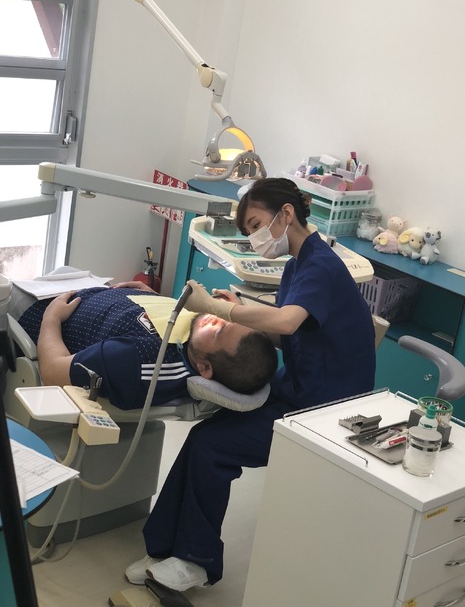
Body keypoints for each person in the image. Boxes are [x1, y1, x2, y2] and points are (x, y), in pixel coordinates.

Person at [126, 177, 376, 591]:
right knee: (201, 435)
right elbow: (289, 335)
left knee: (213, 446)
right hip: (300, 386)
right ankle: (163, 548)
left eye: (256, 225)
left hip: (326, 411)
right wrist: (238, 309)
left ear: (286, 214)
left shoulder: (321, 266)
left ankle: (196, 562)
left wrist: (220, 309)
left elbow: (287, 322)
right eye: (248, 232)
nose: (255, 238)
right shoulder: (297, 265)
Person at [13, 282, 278, 410]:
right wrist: (152, 298)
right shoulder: (194, 338)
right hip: (68, 289)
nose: (218, 317)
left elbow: (53, 371)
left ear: (205, 368)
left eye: (219, 329)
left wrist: (51, 318)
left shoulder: (137, 362)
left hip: (32, 316)